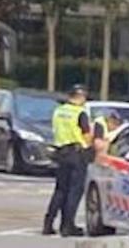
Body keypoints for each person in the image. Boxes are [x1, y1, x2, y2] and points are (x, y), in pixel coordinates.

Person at [42, 85, 92, 237]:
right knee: (74, 191)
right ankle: (67, 226)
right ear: (80, 97)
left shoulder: (59, 110)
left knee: (60, 190)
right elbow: (87, 135)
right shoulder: (80, 113)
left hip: (61, 152)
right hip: (76, 153)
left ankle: (48, 224)